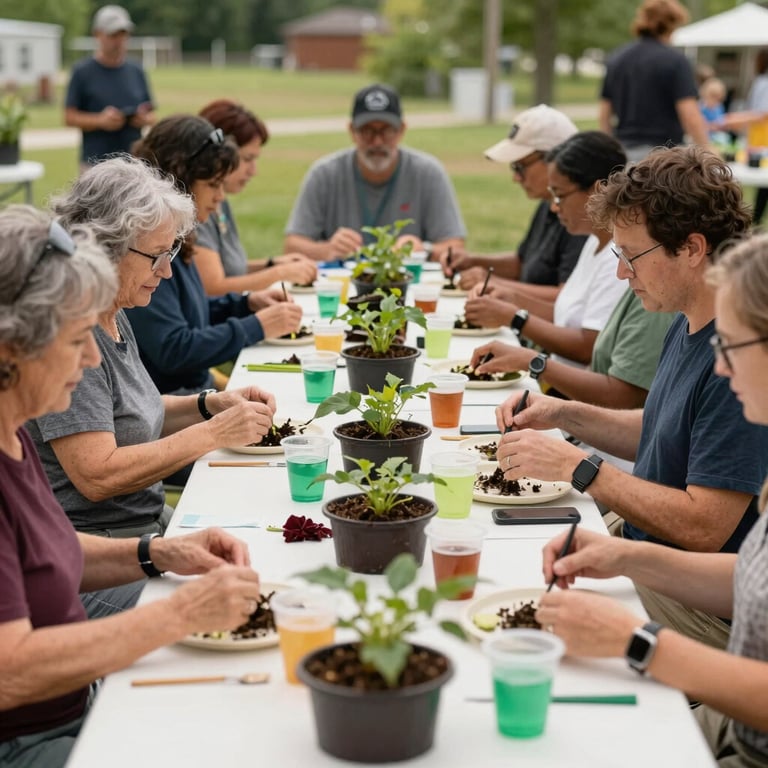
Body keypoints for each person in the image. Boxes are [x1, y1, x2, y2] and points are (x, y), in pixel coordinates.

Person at [0, 205, 263, 768]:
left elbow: (49, 552)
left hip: (76, 704)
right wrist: (178, 614)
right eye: (76, 339)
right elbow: (11, 672)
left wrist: (156, 553)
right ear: (10, 349)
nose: (94, 356)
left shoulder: (12, 434)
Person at [495, 146, 768, 650]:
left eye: (631, 255)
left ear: (690, 248)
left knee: (525, 612)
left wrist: (581, 467)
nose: (622, 274)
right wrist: (560, 412)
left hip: (699, 607)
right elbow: (665, 428)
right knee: (510, 560)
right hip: (649, 553)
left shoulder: (740, 363)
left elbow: (704, 526)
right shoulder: (688, 318)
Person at [537, 233, 768, 767]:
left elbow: (705, 529)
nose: (723, 366)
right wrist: (624, 556)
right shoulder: (690, 335)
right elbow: (750, 580)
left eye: (731, 346)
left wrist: (638, 642)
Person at [29, 158, 277, 589]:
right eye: (157, 257)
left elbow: (129, 412)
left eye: (173, 253)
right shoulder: (71, 336)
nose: (166, 271)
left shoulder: (114, 308)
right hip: (99, 551)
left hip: (143, 527)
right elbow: (98, 474)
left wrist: (207, 404)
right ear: (106, 248)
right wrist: (215, 432)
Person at [126, 115, 303, 394]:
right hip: (175, 404)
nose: (220, 197)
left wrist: (245, 304)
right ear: (179, 180)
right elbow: (173, 349)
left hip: (197, 393)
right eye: (213, 184)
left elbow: (189, 313)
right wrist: (256, 326)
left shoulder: (179, 240)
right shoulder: (146, 250)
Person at [464, 132, 628, 369]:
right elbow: (565, 315)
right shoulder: (593, 241)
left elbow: (587, 347)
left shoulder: (617, 257)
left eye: (560, 196)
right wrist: (512, 299)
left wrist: (515, 317)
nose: (554, 206)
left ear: (597, 191)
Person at [284, 83, 466, 262]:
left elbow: (455, 247)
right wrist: (328, 249)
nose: (377, 142)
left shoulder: (428, 173)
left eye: (386, 131)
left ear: (401, 130)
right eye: (367, 131)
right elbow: (292, 245)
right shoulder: (324, 174)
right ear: (352, 131)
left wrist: (423, 249)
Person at [438, 104, 586, 299]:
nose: (516, 178)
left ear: (555, 160)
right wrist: (472, 261)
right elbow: (524, 264)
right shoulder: (547, 203)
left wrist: (491, 281)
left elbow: (567, 299)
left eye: (520, 167)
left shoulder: (581, 216)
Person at [195, 99, 318, 295]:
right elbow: (213, 288)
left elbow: (230, 269)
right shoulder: (198, 207)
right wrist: (279, 273)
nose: (253, 171)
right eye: (247, 159)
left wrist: (272, 264)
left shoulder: (220, 201)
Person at [599, 0, 709, 162]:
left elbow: (604, 112)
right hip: (662, 158)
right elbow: (690, 114)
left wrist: (609, 152)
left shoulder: (617, 58)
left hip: (623, 153)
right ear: (672, 24)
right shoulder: (675, 61)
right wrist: (707, 151)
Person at [65, 5, 156, 169]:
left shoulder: (137, 70)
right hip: (95, 165)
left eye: (123, 35)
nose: (119, 41)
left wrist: (142, 119)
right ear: (97, 34)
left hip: (133, 163)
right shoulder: (82, 72)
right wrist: (100, 120)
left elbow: (151, 114)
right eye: (113, 35)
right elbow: (69, 117)